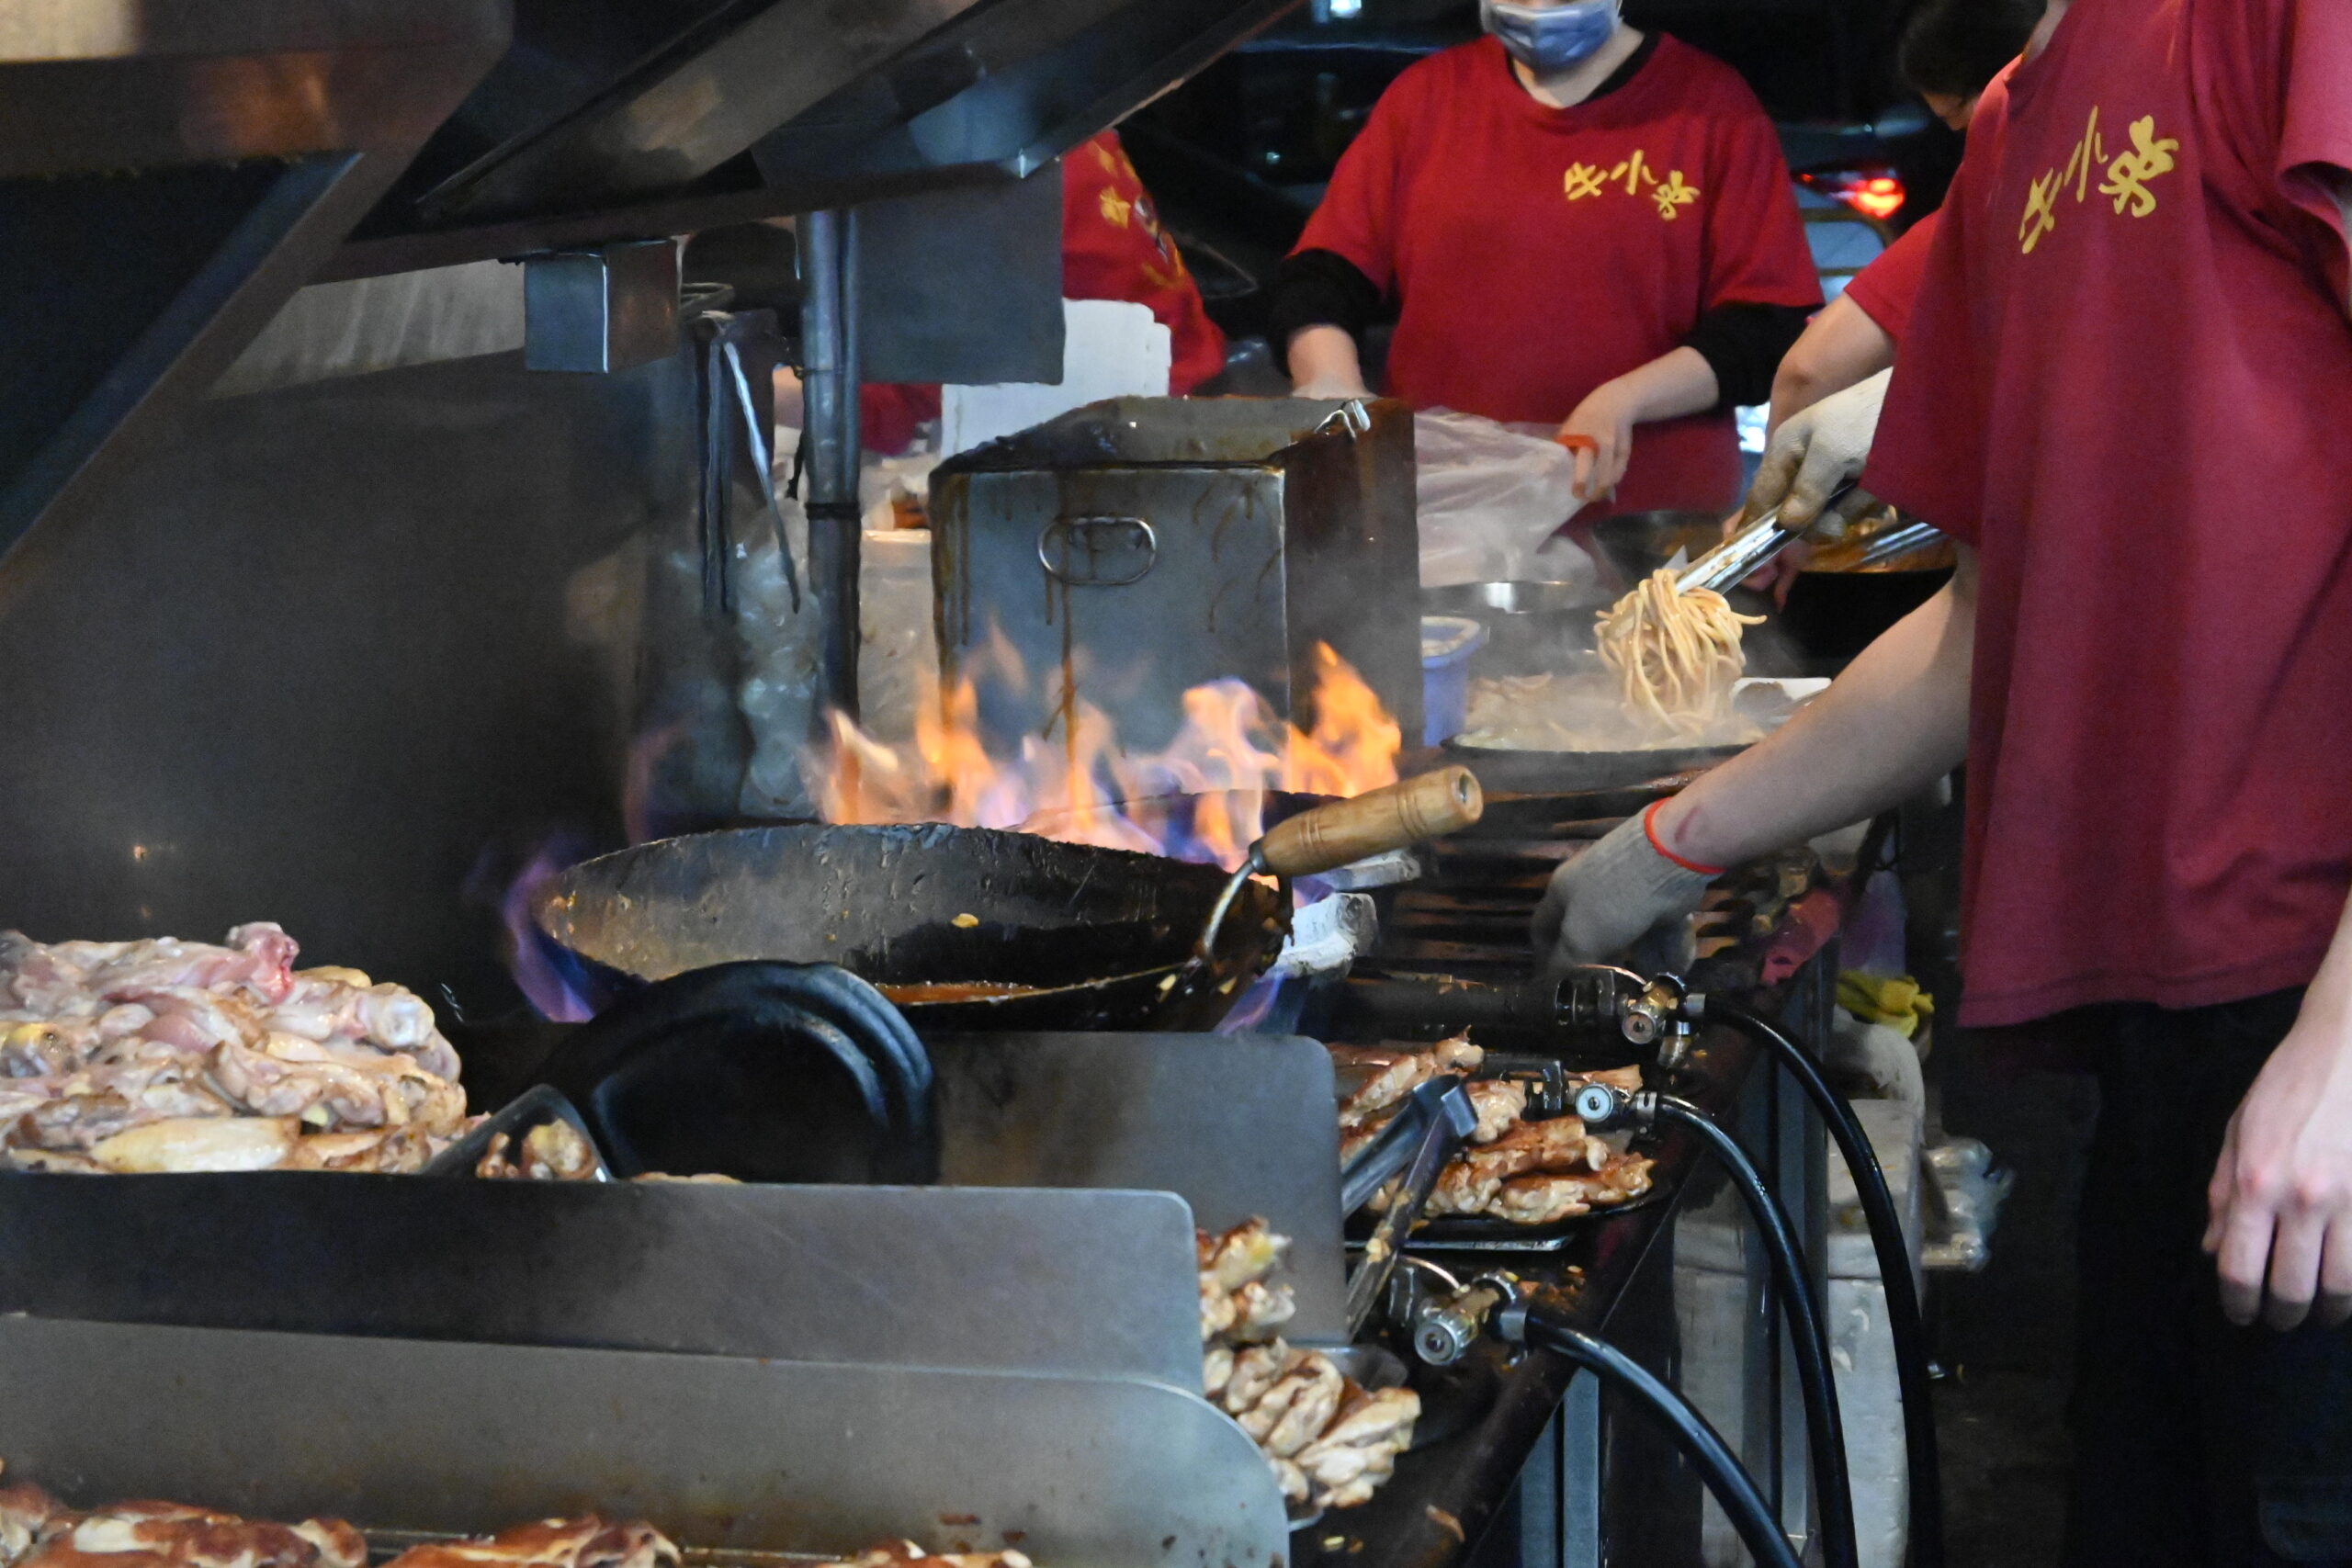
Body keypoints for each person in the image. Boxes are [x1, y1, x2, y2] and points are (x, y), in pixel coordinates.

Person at [1534, 0, 2352, 1562]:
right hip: (2177, 1052)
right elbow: (1988, 618)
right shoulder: (2019, 124)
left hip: (2316, 1017)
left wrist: (2349, 1041)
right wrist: (1673, 840)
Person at [1268, 0, 1821, 516]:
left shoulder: (1711, 108)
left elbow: (1762, 327)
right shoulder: (1428, 98)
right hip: (1448, 511)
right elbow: (1322, 277)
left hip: (1646, 522)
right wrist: (1331, 385)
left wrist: (1625, 399)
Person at [791, 128, 1228, 455]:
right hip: (1179, 417)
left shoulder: (963, 171)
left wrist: (747, 393)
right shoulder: (1031, 118)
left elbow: (895, 406)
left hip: (1133, 449)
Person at [1766, 0, 2040, 434]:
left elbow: (1807, 373)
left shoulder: (1998, 206)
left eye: (1959, 117)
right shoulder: (2129, 167)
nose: (1964, 140)